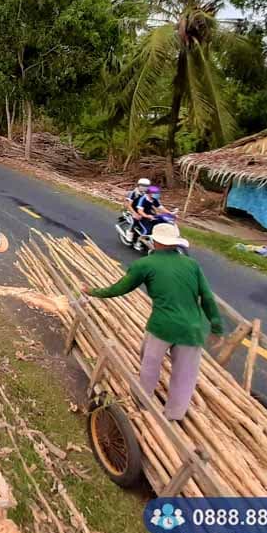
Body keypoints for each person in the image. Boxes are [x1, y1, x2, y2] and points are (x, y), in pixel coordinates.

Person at [82, 223, 224, 421]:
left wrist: (92, 292)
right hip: (192, 330)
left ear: (155, 241)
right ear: (175, 244)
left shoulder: (145, 264)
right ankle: (174, 414)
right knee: (185, 375)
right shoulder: (192, 265)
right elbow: (207, 298)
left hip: (162, 326)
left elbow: (119, 289)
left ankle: (143, 403)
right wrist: (217, 326)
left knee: (149, 364)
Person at [124, 178, 150, 245]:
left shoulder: (147, 194)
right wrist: (134, 213)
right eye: (142, 185)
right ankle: (129, 233)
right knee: (134, 221)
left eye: (146, 186)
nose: (144, 187)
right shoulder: (133, 193)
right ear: (138, 185)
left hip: (142, 211)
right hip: (133, 210)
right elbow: (129, 205)